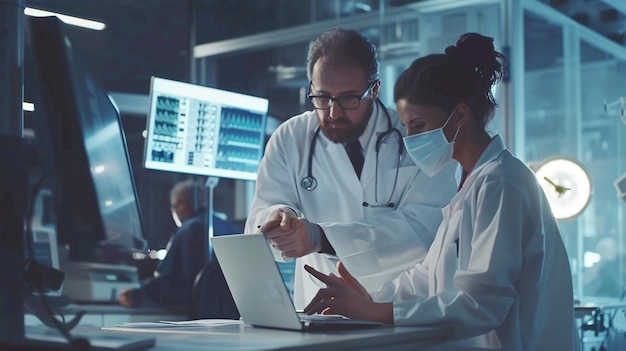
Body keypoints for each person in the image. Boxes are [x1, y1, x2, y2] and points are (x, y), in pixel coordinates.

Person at [304, 33, 579, 350]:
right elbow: (425, 278)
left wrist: (378, 311)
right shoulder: (469, 184)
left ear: (460, 115)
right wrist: (372, 299)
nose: (410, 139)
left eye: (418, 126)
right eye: (406, 127)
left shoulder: (502, 182)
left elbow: (483, 303)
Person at [245, 27, 459, 310]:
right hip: (319, 311)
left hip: (398, 308)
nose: (333, 112)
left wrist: (321, 238)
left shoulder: (415, 136)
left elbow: (425, 230)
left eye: (348, 98)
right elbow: (257, 222)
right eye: (322, 97)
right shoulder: (290, 138)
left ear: (375, 89)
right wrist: (280, 219)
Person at [118, 179, 240, 310]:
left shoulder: (189, 229)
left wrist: (137, 294)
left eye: (173, 207)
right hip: (234, 311)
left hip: (203, 312)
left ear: (182, 204)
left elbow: (170, 281)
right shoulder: (233, 230)